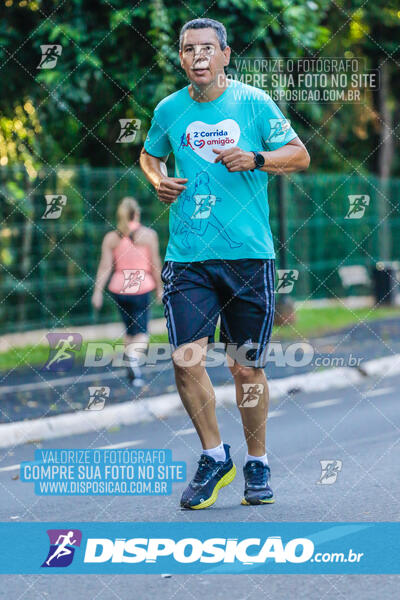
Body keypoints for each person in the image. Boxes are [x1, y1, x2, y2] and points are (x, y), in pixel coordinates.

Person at [140, 18, 310, 508]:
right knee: (184, 359)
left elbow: (299, 156)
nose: (198, 56)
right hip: (188, 257)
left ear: (225, 55)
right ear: (180, 57)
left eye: (207, 48)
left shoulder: (254, 102)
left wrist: (256, 159)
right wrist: (158, 179)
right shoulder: (168, 109)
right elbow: (150, 156)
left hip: (247, 256)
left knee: (245, 369)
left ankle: (257, 462)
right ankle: (215, 455)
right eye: (188, 48)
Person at [91, 197, 163, 386]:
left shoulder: (111, 238)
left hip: (119, 287)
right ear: (137, 213)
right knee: (143, 333)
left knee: (130, 331)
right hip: (141, 286)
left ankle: (134, 373)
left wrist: (97, 292)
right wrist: (160, 289)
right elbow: (155, 264)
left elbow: (105, 266)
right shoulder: (148, 235)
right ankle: (132, 358)